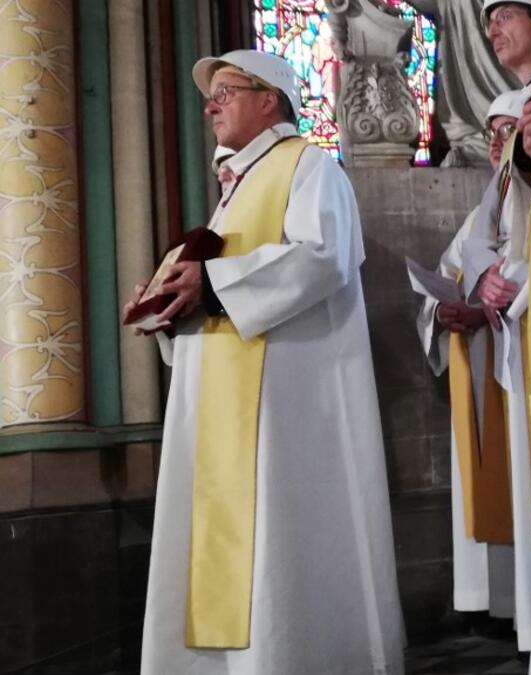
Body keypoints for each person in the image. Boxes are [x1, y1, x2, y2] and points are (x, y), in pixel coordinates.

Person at [126, 49, 404, 674]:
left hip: (286, 406)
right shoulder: (236, 188)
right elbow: (216, 286)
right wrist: (166, 306)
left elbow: (323, 259)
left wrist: (215, 285)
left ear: (268, 99)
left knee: (281, 531)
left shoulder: (309, 166)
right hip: (229, 403)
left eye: (226, 90)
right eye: (211, 94)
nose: (210, 104)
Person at [458, 0, 531, 651]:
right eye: (488, 21)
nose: (492, 29)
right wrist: (483, 275)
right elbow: (488, 221)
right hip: (520, 319)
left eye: (504, 15)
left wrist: (522, 281)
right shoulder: (517, 111)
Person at [414, 91, 527, 622]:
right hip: (477, 364)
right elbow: (447, 273)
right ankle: (491, 601)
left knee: (525, 480)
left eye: (509, 130)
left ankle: (524, 605)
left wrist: (490, 311)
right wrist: (443, 313)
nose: (498, 143)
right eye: (492, 134)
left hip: (519, 361)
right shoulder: (483, 211)